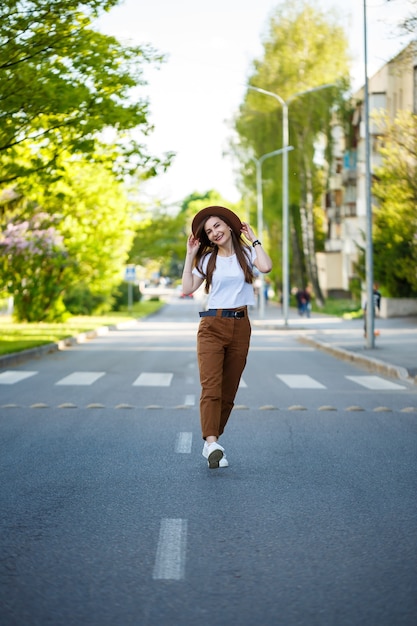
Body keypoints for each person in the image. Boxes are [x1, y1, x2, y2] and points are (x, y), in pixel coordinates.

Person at [182, 205, 272, 469]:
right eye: (209, 231)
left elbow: (265, 266)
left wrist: (253, 238)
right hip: (212, 325)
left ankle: (212, 442)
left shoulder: (247, 254)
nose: (214, 233)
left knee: (229, 391)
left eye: (217, 226)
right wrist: (190, 256)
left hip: (241, 327)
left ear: (229, 226)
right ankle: (211, 443)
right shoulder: (207, 260)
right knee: (211, 388)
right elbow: (187, 288)